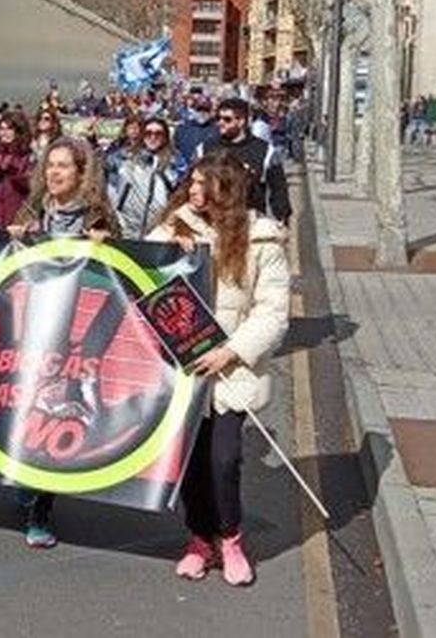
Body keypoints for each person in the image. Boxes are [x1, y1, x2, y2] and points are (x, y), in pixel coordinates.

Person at [148, 153, 289, 586]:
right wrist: (169, 249)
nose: (192, 191)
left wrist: (230, 352)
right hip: (185, 369)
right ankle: (198, 539)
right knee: (191, 461)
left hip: (230, 373)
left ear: (224, 188)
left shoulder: (263, 239)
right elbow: (141, 267)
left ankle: (230, 539)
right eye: (191, 182)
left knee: (224, 459)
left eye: (201, 183)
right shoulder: (176, 225)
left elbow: (272, 312)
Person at [2, 136, 122, 548]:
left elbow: (125, 260)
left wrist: (105, 242)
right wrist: (15, 234)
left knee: (55, 409)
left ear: (80, 173)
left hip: (79, 327)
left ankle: (41, 508)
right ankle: (26, 480)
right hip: (35, 322)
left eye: (63, 166)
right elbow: (7, 252)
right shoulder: (34, 207)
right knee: (25, 401)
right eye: (50, 164)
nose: (54, 172)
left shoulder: (97, 213)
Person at [196, 98, 292, 225]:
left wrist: (281, 218)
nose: (220, 123)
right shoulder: (205, 148)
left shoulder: (264, 151)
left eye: (227, 119)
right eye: (218, 118)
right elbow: (192, 183)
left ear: (241, 121)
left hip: (249, 222)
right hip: (212, 221)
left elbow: (278, 188)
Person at [110, 116, 184, 239]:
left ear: (165, 137)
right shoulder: (124, 157)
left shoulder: (176, 162)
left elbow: (180, 195)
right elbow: (109, 187)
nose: (152, 137)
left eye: (158, 134)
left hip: (159, 229)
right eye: (148, 133)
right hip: (126, 227)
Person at [174, 97, 220, 168]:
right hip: (185, 168)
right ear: (193, 110)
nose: (202, 113)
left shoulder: (217, 130)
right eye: (199, 110)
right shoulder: (182, 129)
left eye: (206, 110)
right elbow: (176, 150)